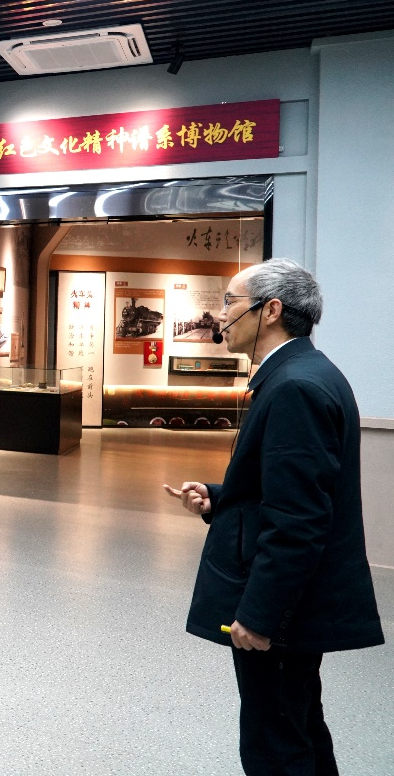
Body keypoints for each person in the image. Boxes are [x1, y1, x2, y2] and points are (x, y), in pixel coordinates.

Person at [164, 258, 383, 776]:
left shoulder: (294, 388)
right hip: (295, 606)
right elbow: (285, 491)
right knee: (299, 726)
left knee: (276, 748)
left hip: (283, 615)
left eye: (230, 302)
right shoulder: (304, 374)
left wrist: (261, 616)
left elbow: (299, 521)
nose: (221, 314)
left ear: (271, 311)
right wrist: (220, 498)